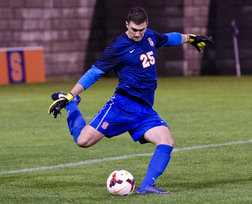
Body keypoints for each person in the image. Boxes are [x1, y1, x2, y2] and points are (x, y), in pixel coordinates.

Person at [48, 7, 213, 194]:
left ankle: (146, 186)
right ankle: (71, 104)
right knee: (83, 141)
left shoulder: (150, 36)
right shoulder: (117, 47)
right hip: (122, 105)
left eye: (141, 29)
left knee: (166, 141)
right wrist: (70, 95)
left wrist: (191, 38)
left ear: (146, 25)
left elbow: (170, 38)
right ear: (127, 24)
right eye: (134, 29)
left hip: (144, 110)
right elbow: (94, 73)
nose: (137, 34)